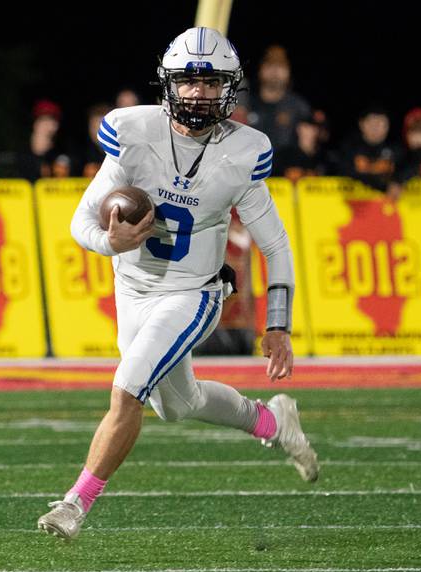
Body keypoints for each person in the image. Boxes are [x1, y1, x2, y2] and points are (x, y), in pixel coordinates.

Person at [37, 27, 319, 541]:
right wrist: (110, 243)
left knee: (128, 389)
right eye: (189, 81)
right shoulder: (133, 132)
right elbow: (81, 220)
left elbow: (275, 246)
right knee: (178, 404)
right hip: (134, 286)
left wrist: (278, 325)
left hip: (196, 291)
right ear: (168, 83)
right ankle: (275, 425)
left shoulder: (242, 151)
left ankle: (75, 504)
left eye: (211, 82)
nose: (199, 93)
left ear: (229, 89)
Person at [246, 45, 311, 151]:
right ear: (260, 69)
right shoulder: (245, 101)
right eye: (269, 64)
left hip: (285, 166)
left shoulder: (299, 107)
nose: (275, 70)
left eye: (281, 65)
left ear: (289, 71)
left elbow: (307, 149)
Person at [338, 105, 404, 198]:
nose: (376, 128)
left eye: (381, 123)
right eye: (372, 123)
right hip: (357, 203)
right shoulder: (350, 148)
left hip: (386, 206)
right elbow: (343, 172)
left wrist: (398, 181)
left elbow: (409, 168)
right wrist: (380, 184)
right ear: (361, 124)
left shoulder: (396, 149)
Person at [17, 99, 72, 181]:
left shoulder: (61, 156)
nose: (48, 126)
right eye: (43, 120)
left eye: (52, 120)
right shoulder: (19, 156)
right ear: (34, 123)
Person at [273, 109, 335, 181]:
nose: (311, 131)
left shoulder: (326, 158)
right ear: (298, 128)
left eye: (316, 128)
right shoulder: (283, 155)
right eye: (307, 127)